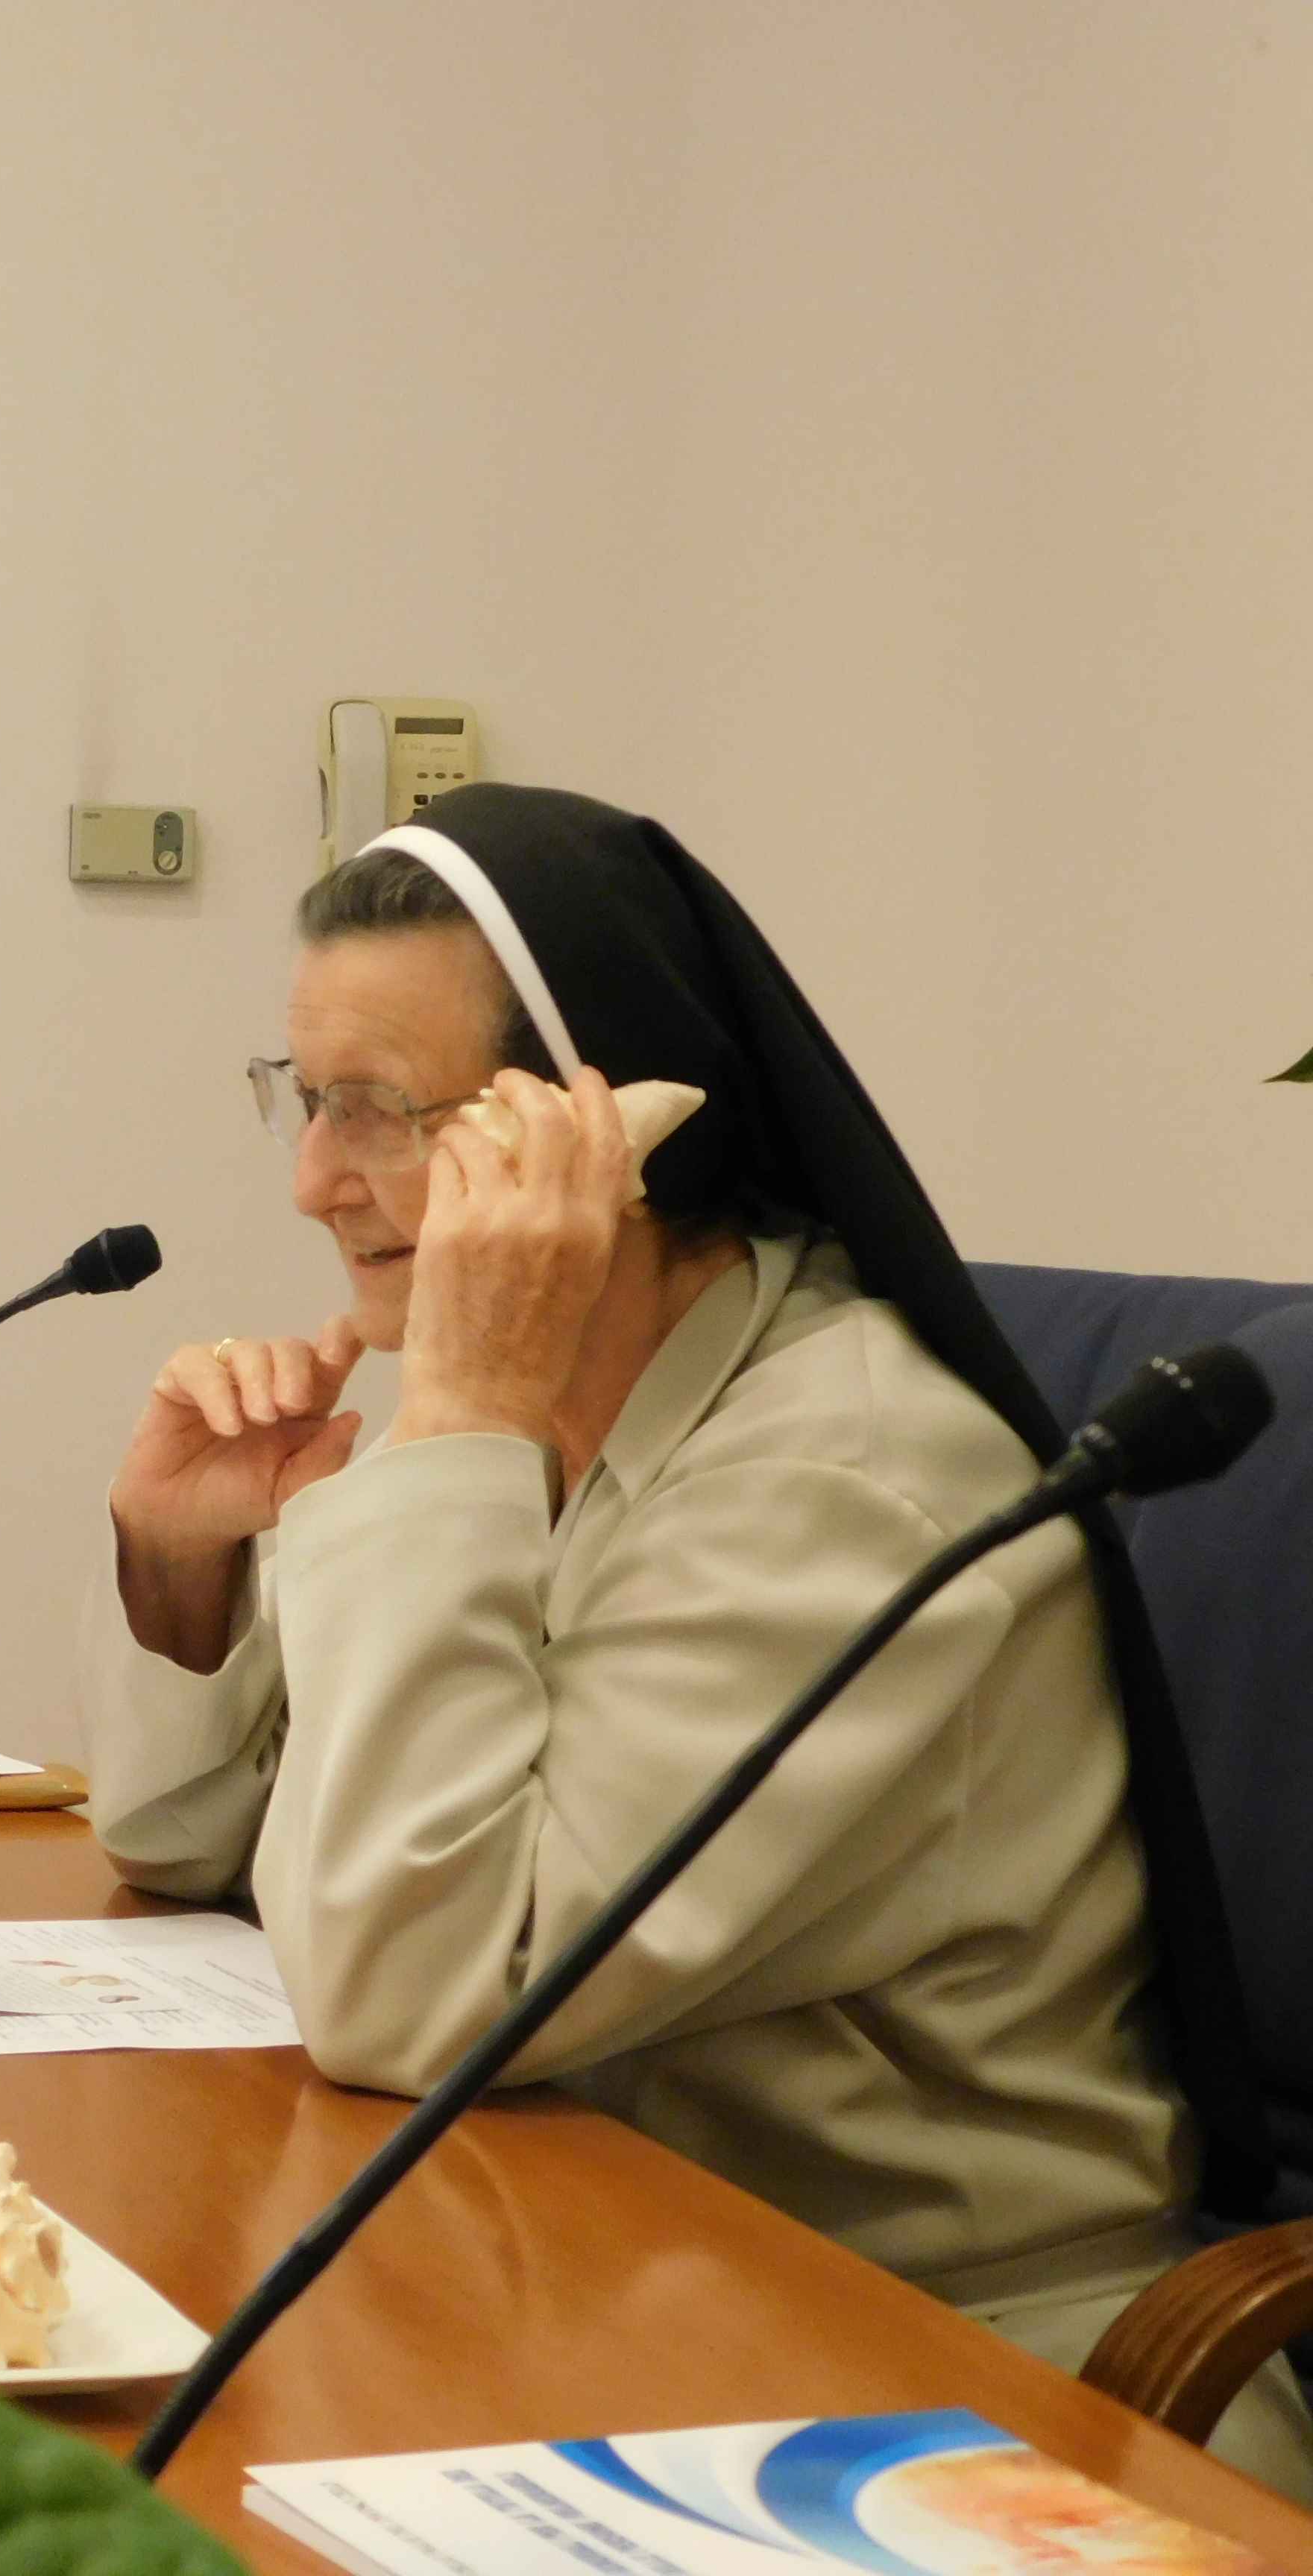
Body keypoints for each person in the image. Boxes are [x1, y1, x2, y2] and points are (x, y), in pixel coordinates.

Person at [79, 783, 1312, 2493]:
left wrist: (457, 1411)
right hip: (610, 2273)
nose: (312, 1180)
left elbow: (416, 1997)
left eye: (377, 1110)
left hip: (944, 2380)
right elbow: (185, 1843)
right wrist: (183, 1567)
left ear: (611, 1138)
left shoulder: (838, 1484)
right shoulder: (567, 1413)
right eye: (303, 1097)